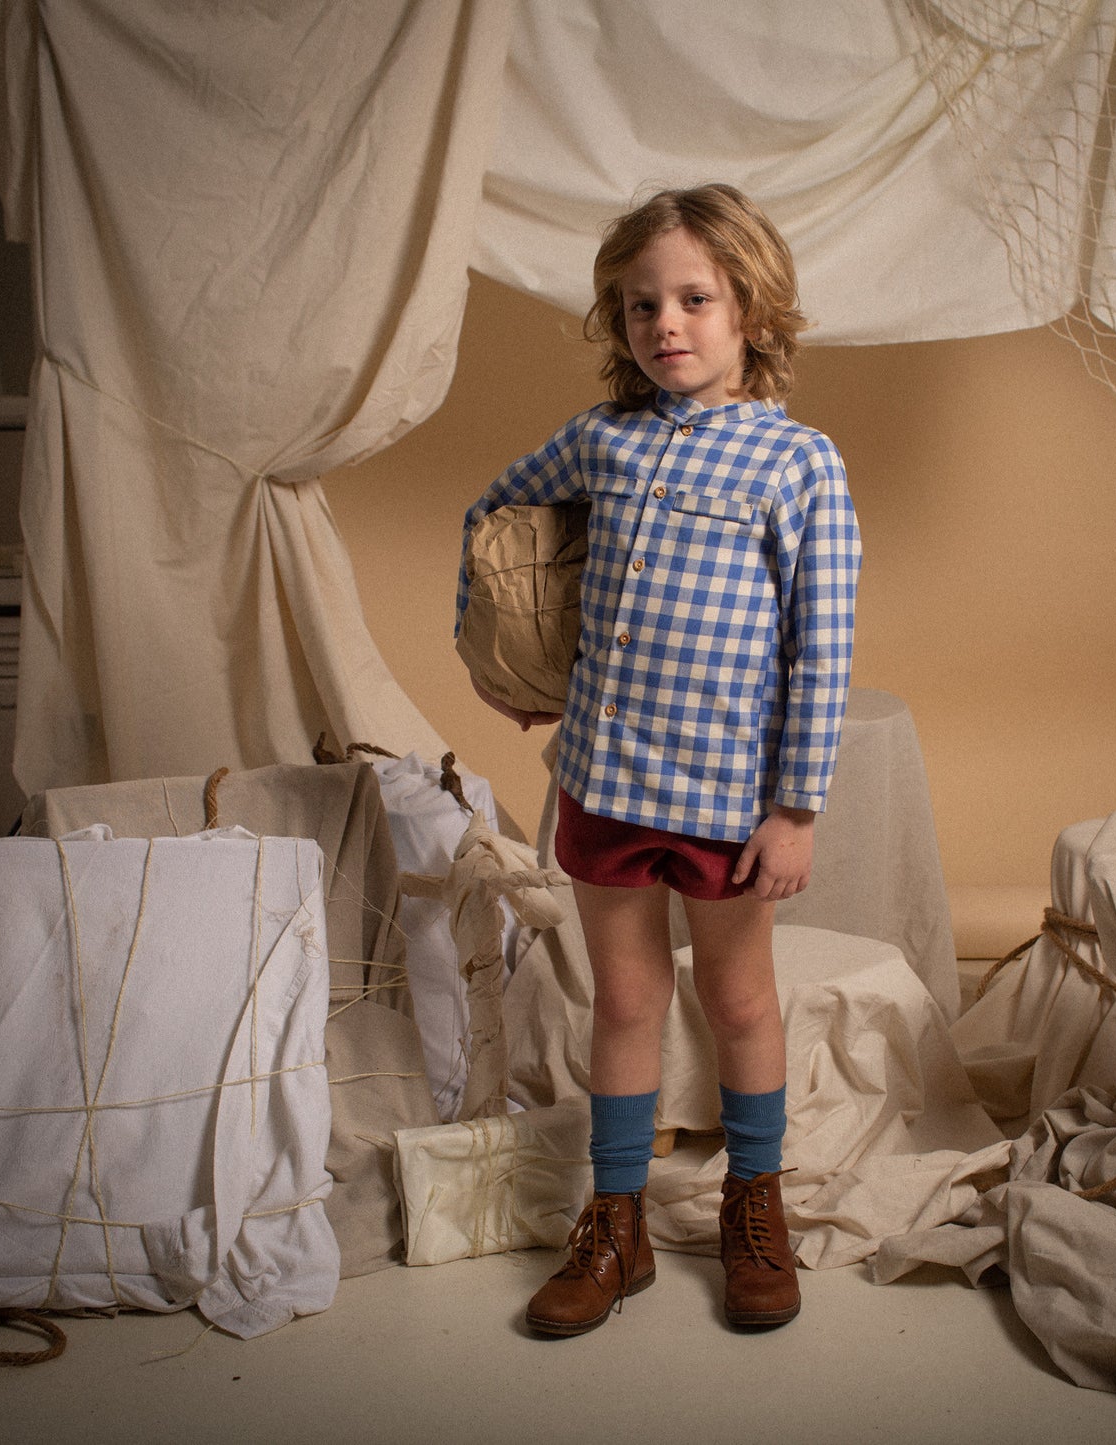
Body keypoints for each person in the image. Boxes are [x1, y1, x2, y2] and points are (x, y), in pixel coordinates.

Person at [455, 183, 861, 1335]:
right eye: (640, 306)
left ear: (750, 310)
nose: (665, 325)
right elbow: (497, 518)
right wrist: (509, 665)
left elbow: (819, 646)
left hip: (729, 801)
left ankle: (754, 1203)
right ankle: (617, 1222)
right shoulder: (601, 440)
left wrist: (795, 805)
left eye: (693, 298)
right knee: (623, 997)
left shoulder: (795, 464)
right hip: (602, 780)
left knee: (736, 997)